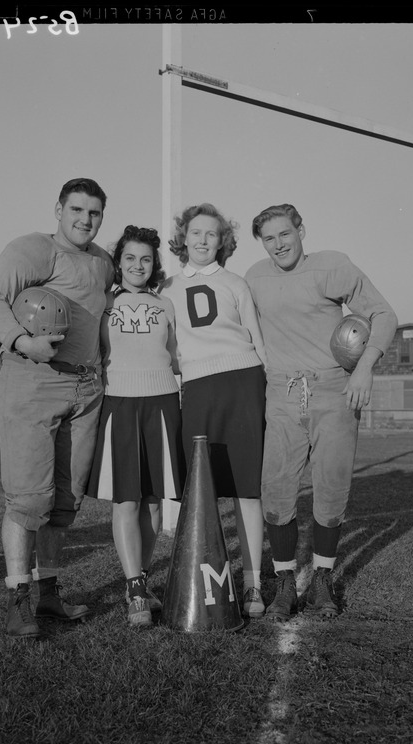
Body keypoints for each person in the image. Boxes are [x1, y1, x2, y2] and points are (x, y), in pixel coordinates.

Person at [0, 178, 115, 638]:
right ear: (58, 209)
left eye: (94, 213)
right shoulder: (34, 249)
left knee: (65, 502)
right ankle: (18, 601)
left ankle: (49, 594)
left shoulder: (103, 262)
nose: (85, 220)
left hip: (85, 389)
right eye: (76, 209)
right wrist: (21, 340)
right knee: (29, 498)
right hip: (34, 380)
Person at [246, 203, 398, 622]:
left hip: (333, 388)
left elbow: (384, 314)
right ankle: (283, 584)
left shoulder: (330, 266)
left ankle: (322, 582)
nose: (278, 244)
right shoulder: (255, 277)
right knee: (275, 489)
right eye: (269, 238)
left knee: (331, 488)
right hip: (281, 390)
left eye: (285, 234)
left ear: (301, 230)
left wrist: (364, 368)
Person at [159, 203, 268, 619]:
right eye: (196, 233)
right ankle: (197, 575)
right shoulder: (166, 288)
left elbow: (257, 341)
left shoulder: (236, 283)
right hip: (198, 389)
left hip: (243, 382)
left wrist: (268, 388)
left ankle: (253, 583)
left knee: (246, 488)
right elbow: (168, 351)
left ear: (222, 241)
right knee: (199, 488)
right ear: (183, 238)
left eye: (211, 234)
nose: (203, 240)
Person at [85, 225, 185, 628]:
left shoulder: (167, 306)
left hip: (162, 403)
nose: (138, 265)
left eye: (145, 259)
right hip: (120, 405)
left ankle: (141, 580)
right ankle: (134, 590)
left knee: (155, 502)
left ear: (154, 264)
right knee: (126, 500)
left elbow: (178, 358)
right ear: (118, 262)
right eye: (130, 258)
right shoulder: (102, 305)